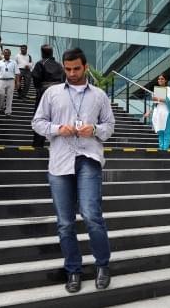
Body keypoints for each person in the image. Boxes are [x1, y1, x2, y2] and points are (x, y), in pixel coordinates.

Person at [32, 47, 115, 293]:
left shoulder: (99, 95)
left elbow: (109, 126)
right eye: (68, 69)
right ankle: (73, 270)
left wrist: (95, 130)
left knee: (91, 215)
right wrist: (58, 128)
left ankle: (103, 265)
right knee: (65, 223)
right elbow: (37, 123)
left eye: (76, 68)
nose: (72, 73)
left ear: (85, 66)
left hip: (88, 157)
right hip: (60, 161)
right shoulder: (52, 93)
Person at [31, 44, 64, 147]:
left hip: (45, 91)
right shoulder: (59, 65)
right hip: (59, 93)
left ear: (42, 53)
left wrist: (39, 88)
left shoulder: (40, 63)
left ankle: (38, 143)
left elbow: (36, 80)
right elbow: (64, 79)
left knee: (41, 117)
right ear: (52, 53)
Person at [143, 74, 170, 151]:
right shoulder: (158, 90)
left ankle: (165, 150)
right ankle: (161, 149)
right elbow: (155, 104)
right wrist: (149, 112)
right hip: (158, 114)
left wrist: (157, 97)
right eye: (159, 79)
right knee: (160, 132)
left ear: (165, 80)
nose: (160, 80)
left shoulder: (168, 89)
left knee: (167, 132)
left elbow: (168, 100)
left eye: (162, 79)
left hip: (166, 113)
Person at [0, 49, 20, 117]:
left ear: (10, 54)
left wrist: (18, 82)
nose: (6, 54)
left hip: (11, 80)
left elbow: (17, 73)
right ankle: (1, 107)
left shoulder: (14, 62)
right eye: (5, 53)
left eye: (8, 53)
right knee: (1, 94)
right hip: (1, 80)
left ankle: (8, 111)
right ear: (3, 54)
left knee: (10, 96)